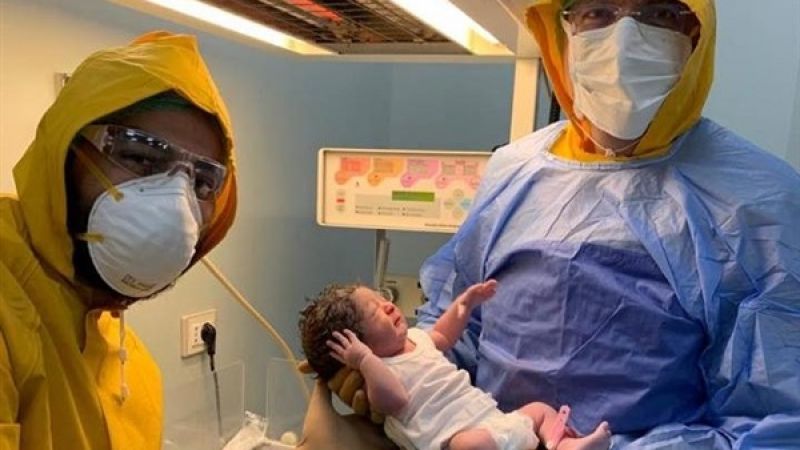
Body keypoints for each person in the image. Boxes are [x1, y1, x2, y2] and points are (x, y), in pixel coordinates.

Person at [299, 0, 800, 448]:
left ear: (696, 34)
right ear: (563, 30)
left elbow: (774, 419)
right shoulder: (514, 170)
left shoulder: (755, 200)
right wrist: (397, 366)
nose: (624, 38)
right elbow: (460, 321)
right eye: (598, 12)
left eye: (660, 13)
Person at [0, 31, 238, 449]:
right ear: (67, 152)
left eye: (202, 182)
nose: (174, 204)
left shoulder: (134, 368)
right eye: (141, 156)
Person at [299, 281, 612, 450]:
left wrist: (464, 305)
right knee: (469, 444)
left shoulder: (417, 338)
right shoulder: (380, 372)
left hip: (495, 422)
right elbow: (395, 401)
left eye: (381, 298)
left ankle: (567, 445)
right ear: (355, 345)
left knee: (540, 410)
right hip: (458, 440)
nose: (388, 305)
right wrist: (366, 362)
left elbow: (443, 335)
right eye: (373, 312)